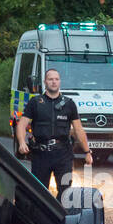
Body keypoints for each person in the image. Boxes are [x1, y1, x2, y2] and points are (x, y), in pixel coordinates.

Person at [15, 67, 92, 195]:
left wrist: (87, 151)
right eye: (50, 79)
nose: (54, 82)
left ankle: (61, 215)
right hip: (41, 154)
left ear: (60, 82)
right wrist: (22, 142)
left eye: (56, 79)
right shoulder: (35, 102)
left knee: (65, 192)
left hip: (63, 153)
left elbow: (78, 129)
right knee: (39, 193)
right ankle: (42, 215)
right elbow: (21, 125)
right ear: (45, 82)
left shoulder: (69, 104)